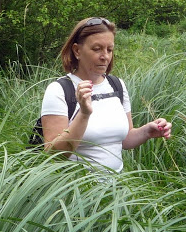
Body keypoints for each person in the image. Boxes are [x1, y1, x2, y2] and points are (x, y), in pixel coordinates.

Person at [40, 17, 172, 172]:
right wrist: (83, 114)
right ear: (77, 51)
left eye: (109, 49)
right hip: (75, 191)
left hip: (116, 190)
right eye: (97, 49)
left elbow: (124, 139)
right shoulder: (59, 90)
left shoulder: (117, 85)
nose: (105, 56)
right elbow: (53, 154)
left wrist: (147, 131)